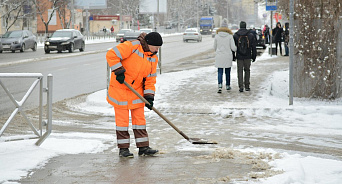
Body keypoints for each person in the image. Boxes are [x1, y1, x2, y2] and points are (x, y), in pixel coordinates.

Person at [106, 32, 163, 158]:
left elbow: (150, 79)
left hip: (136, 91)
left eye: (158, 48)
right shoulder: (132, 46)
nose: (157, 50)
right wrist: (118, 70)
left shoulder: (153, 58)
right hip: (121, 89)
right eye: (156, 47)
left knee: (139, 121)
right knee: (122, 122)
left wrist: (149, 96)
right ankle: (123, 149)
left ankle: (143, 147)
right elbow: (111, 54)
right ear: (149, 44)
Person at [233, 21, 257, 92]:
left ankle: (240, 86)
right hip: (248, 56)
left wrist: (234, 56)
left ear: (240, 26)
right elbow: (253, 47)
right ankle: (247, 86)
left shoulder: (236, 35)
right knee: (247, 70)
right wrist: (254, 56)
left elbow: (233, 47)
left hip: (239, 56)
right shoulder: (250, 35)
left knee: (239, 71)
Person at [214, 26, 237, 93]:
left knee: (220, 71)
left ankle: (220, 85)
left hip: (219, 56)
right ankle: (227, 85)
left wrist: (218, 51)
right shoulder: (230, 37)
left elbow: (214, 47)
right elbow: (233, 48)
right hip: (227, 56)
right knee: (227, 72)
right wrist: (236, 49)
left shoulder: (217, 36)